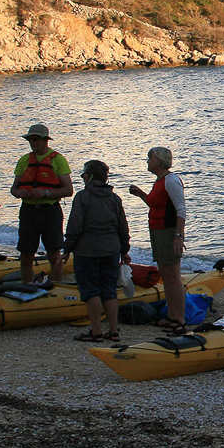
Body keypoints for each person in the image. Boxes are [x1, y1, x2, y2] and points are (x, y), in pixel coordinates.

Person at [63, 160, 131, 343]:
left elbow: (75, 227)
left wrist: (67, 249)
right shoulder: (114, 199)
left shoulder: (82, 197)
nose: (83, 178)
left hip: (87, 251)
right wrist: (124, 250)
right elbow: (123, 227)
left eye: (84, 175)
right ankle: (114, 330)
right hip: (111, 250)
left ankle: (96, 331)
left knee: (91, 291)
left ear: (89, 176)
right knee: (109, 290)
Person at [128, 146, 187, 333]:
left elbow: (181, 210)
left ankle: (179, 318)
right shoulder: (159, 181)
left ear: (160, 161)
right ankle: (171, 314)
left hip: (168, 232)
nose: (148, 161)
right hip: (157, 231)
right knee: (166, 275)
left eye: (150, 158)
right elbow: (155, 205)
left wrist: (178, 236)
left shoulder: (171, 181)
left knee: (172, 277)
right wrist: (141, 195)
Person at [10, 123, 73, 284]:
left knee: (54, 254)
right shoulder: (24, 161)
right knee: (26, 255)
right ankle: (27, 286)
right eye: (31, 140)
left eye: (36, 140)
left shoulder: (58, 160)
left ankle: (55, 286)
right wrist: (20, 193)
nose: (33, 143)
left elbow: (68, 190)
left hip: (50, 211)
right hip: (28, 211)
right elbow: (14, 188)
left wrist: (45, 193)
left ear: (45, 140)